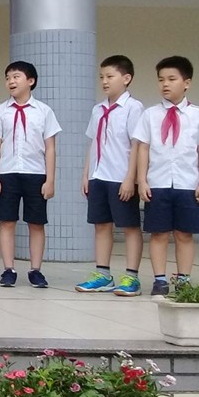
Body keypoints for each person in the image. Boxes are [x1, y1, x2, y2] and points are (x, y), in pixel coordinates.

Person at [134, 55, 199, 296]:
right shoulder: (150, 115)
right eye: (161, 79)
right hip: (158, 182)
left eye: (172, 79)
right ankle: (160, 280)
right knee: (158, 233)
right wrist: (142, 180)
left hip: (187, 184)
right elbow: (143, 148)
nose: (165, 84)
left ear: (187, 83)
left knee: (184, 234)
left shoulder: (198, 115)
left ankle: (183, 280)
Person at [0, 61, 61, 288]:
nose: (11, 81)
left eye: (16, 76)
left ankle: (36, 270)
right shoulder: (0, 111)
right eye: (8, 78)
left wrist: (50, 179)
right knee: (7, 222)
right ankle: (9, 269)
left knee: (36, 223)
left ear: (31, 81)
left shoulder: (44, 111)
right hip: (7, 173)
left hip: (36, 173)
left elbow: (50, 148)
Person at [76, 55, 145, 296]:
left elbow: (137, 145)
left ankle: (132, 277)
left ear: (126, 78)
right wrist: (87, 174)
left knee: (129, 226)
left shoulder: (134, 108)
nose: (104, 81)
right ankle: (103, 275)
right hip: (99, 176)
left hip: (121, 177)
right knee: (101, 225)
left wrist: (131, 178)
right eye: (101, 77)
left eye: (110, 76)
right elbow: (93, 144)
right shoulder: (98, 109)